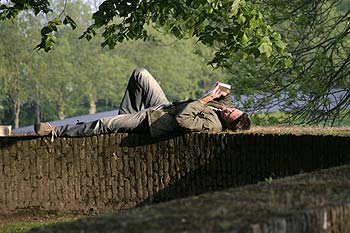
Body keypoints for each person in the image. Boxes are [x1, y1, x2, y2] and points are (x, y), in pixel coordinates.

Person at [34, 68, 251, 138]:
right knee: (141, 74)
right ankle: (122, 120)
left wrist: (205, 99)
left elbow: (183, 120)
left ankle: (56, 131)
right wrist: (222, 89)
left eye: (229, 113)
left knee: (105, 124)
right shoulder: (225, 109)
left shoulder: (213, 125)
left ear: (228, 124)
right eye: (232, 108)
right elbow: (226, 98)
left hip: (155, 120)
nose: (228, 109)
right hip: (164, 105)